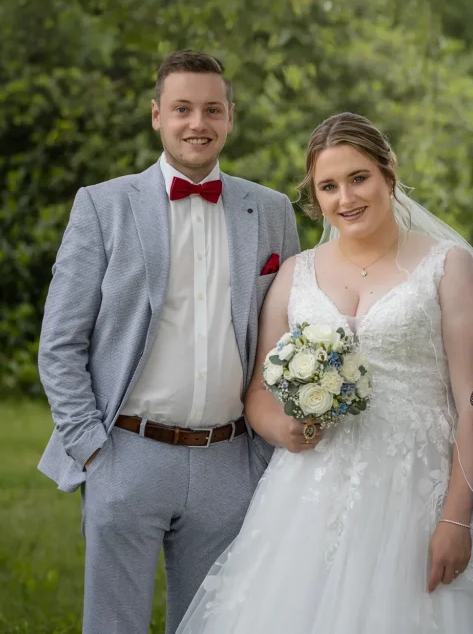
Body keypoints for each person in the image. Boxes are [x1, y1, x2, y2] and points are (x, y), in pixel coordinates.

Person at [176, 112, 473, 633]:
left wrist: (455, 517)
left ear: (388, 173)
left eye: (358, 178)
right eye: (328, 186)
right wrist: (282, 428)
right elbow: (260, 392)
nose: (345, 199)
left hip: (415, 492)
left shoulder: (449, 268)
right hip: (309, 495)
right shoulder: (297, 274)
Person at [36, 49, 301, 634]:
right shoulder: (103, 206)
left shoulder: (273, 212)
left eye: (212, 109)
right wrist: (91, 449)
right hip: (127, 453)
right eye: (182, 109)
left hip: (231, 460)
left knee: (215, 624)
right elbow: (60, 342)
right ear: (157, 115)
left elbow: (291, 339)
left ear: (231, 117)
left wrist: (260, 456)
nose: (197, 124)